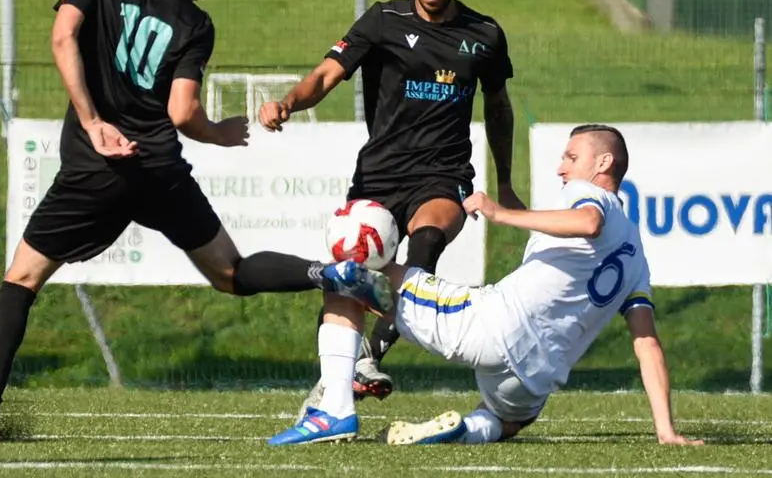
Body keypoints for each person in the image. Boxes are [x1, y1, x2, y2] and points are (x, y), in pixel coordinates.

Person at [0, 0, 391, 443]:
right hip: (158, 169)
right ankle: (329, 274)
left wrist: (92, 121)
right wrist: (219, 133)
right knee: (230, 272)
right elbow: (182, 114)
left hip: (97, 169)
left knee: (20, 281)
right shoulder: (195, 23)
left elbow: (63, 37)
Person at [267, 124, 704, 447]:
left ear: (603, 162)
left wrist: (499, 213)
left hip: (492, 326)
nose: (560, 167)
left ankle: (334, 411)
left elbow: (588, 221)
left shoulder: (592, 198)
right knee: (507, 421)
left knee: (351, 280)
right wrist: (665, 430)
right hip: (534, 380)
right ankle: (467, 430)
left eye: (571, 157)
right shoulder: (637, 256)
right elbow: (647, 345)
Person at [259, 0, 524, 411]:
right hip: (379, 175)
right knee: (352, 274)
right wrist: (289, 103)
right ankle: (338, 377)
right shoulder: (383, 21)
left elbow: (499, 108)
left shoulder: (484, 34)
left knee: (423, 252)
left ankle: (369, 355)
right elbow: (326, 74)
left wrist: (505, 182)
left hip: (443, 176)